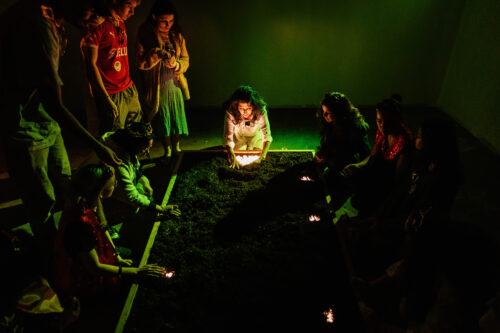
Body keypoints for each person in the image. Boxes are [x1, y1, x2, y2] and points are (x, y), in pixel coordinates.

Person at [0, 0, 121, 240]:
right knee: (42, 201)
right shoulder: (37, 24)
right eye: (93, 11)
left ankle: (79, 246)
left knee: (70, 188)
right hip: (23, 127)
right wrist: (99, 146)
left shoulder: (51, 17)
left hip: (44, 121)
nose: (96, 20)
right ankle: (53, 263)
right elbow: (55, 105)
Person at [52, 163, 168, 298]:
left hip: (92, 255)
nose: (116, 185)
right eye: (114, 183)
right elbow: (94, 268)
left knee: (130, 256)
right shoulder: (80, 224)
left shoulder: (89, 201)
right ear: (101, 192)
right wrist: (136, 272)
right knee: (123, 287)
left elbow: (103, 228)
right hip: (79, 277)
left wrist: (117, 257)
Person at [339, 94, 413, 217]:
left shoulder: (404, 141)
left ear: (397, 120)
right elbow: (373, 156)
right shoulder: (383, 132)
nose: (382, 125)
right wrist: (357, 166)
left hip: (388, 182)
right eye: (379, 121)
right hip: (379, 173)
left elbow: (399, 181)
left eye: (388, 121)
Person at [136, 0, 190, 160]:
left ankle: (177, 146)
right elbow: (140, 63)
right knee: (163, 118)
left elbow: (186, 59)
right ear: (154, 17)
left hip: (175, 83)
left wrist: (177, 64)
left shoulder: (176, 35)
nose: (168, 25)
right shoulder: (146, 34)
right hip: (157, 85)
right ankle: (167, 149)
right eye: (164, 21)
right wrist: (156, 54)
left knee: (176, 116)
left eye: (171, 21)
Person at [82, 0, 142, 134]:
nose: (132, 12)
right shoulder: (97, 25)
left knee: (137, 133)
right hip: (111, 92)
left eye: (134, 8)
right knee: (116, 138)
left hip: (128, 87)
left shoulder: (119, 22)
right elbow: (91, 64)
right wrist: (106, 98)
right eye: (129, 6)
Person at [102, 122, 181, 222]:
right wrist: (161, 209)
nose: (147, 152)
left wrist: (142, 180)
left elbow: (135, 166)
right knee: (134, 208)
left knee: (145, 191)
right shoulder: (117, 162)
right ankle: (111, 218)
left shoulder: (126, 147)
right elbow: (132, 196)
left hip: (119, 188)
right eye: (145, 148)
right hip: (108, 197)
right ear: (134, 144)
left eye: (149, 147)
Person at [315, 92, 370, 194]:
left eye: (328, 112)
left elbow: (358, 153)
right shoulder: (331, 125)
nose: (324, 115)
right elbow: (328, 143)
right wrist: (322, 150)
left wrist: (330, 155)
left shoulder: (355, 128)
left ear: (338, 112)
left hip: (351, 166)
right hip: (336, 161)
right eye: (323, 111)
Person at [223, 85, 273, 169]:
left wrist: (262, 157)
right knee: (238, 154)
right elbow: (228, 137)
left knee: (256, 153)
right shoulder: (231, 112)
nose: (245, 111)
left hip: (256, 137)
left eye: (249, 108)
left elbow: (267, 135)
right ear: (236, 105)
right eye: (241, 108)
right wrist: (231, 156)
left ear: (254, 105)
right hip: (239, 137)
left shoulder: (260, 110)